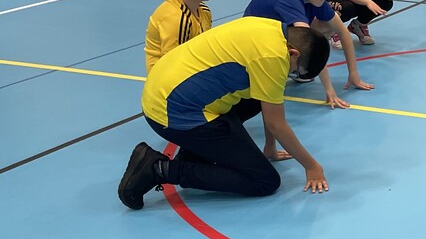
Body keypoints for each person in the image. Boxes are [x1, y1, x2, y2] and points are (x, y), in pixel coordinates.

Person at [118, 17, 331, 210]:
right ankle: (159, 169)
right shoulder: (274, 56)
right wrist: (311, 166)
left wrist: (270, 147)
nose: (290, 74)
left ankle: (194, 154)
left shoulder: (272, 30)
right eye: (294, 71)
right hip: (171, 112)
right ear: (293, 53)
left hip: (164, 92)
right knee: (265, 181)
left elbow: (270, 103)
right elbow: (276, 124)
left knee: (261, 96)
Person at [244, 0, 374, 158]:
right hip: (252, 49)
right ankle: (270, 147)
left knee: (326, 26)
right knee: (270, 94)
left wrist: (353, 74)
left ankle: (296, 72)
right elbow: (309, 46)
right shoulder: (289, 0)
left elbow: (342, 31)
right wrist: (329, 89)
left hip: (273, 39)